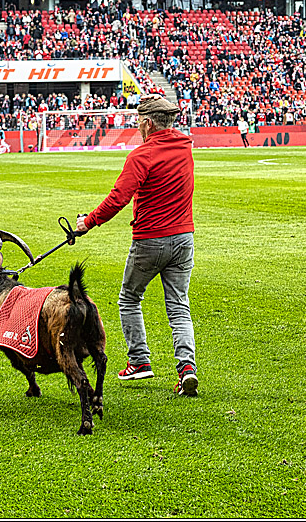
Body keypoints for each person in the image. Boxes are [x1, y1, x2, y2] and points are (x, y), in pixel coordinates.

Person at [76, 95, 199, 396]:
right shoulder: (185, 147)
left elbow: (118, 197)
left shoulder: (142, 155)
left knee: (129, 298)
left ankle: (139, 361)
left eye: (139, 122)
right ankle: (187, 368)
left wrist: (87, 222)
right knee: (179, 306)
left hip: (150, 239)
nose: (138, 128)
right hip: (184, 237)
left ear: (148, 123)